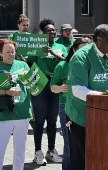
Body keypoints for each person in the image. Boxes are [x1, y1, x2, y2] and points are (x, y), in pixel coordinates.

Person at [66, 24, 108, 170]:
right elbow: (77, 89)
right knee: (82, 161)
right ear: (99, 39)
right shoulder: (81, 57)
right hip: (81, 117)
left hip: (107, 116)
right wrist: (102, 97)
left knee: (104, 158)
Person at [0, 39, 32, 170]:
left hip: (23, 112)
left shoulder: (23, 65)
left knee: (20, 148)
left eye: (13, 51)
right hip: (4, 114)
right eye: (8, 52)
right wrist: (7, 91)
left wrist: (29, 79)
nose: (11, 54)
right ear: (0, 53)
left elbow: (35, 88)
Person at [27, 19, 66, 165]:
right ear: (43, 33)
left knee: (52, 120)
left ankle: (51, 151)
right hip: (40, 85)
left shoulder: (60, 46)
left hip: (55, 85)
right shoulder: (37, 47)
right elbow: (28, 62)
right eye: (49, 30)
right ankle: (38, 152)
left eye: (53, 30)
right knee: (39, 120)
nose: (53, 32)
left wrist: (52, 52)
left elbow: (65, 61)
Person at [50, 37, 92, 170]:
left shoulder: (91, 65)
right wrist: (60, 88)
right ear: (74, 49)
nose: (87, 52)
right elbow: (52, 87)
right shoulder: (63, 66)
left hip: (88, 109)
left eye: (89, 48)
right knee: (70, 145)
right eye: (83, 48)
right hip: (67, 109)